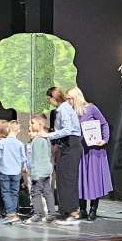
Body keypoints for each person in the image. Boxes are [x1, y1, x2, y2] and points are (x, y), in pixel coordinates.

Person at [69, 87, 112, 221]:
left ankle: (93, 210)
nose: (68, 101)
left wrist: (104, 140)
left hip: (93, 151)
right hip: (80, 150)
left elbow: (104, 123)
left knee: (94, 179)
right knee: (80, 179)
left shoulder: (91, 109)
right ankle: (82, 209)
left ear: (76, 98)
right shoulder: (71, 113)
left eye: (70, 98)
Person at [43, 86, 82, 224]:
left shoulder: (64, 109)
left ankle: (73, 212)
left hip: (71, 144)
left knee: (68, 179)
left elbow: (67, 129)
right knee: (63, 178)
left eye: (49, 99)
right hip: (66, 145)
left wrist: (48, 135)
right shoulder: (62, 109)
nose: (49, 101)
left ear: (54, 98)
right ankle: (66, 211)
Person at [0, 120, 26, 224]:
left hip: (5, 170)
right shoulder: (20, 143)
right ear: (18, 131)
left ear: (7, 129)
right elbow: (23, 158)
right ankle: (13, 214)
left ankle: (11, 214)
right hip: (16, 171)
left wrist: (2, 160)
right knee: (14, 193)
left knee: (6, 192)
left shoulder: (2, 142)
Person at [24, 115, 55, 224]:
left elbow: (36, 158)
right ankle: (51, 213)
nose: (31, 125)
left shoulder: (37, 140)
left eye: (32, 123)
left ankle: (38, 214)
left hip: (39, 171)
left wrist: (33, 173)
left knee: (35, 192)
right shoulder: (46, 138)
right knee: (47, 192)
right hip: (46, 170)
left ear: (40, 124)